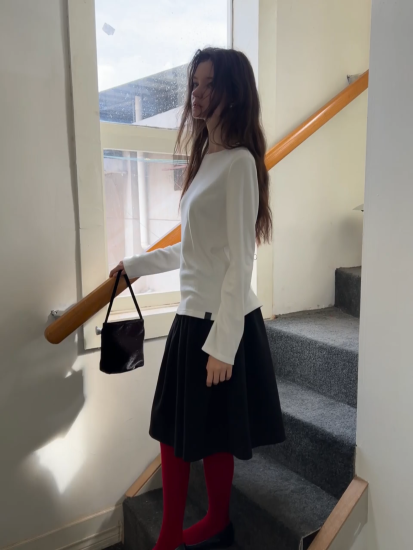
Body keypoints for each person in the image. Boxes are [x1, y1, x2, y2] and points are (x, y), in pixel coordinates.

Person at [110, 47, 285, 550]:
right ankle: (176, 533)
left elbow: (241, 259)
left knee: (209, 431)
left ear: (234, 92)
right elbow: (194, 248)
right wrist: (136, 266)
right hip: (192, 316)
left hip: (219, 320)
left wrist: (223, 345)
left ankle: (212, 522)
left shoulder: (240, 164)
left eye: (209, 84)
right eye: (195, 84)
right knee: (176, 429)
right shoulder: (207, 159)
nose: (197, 94)